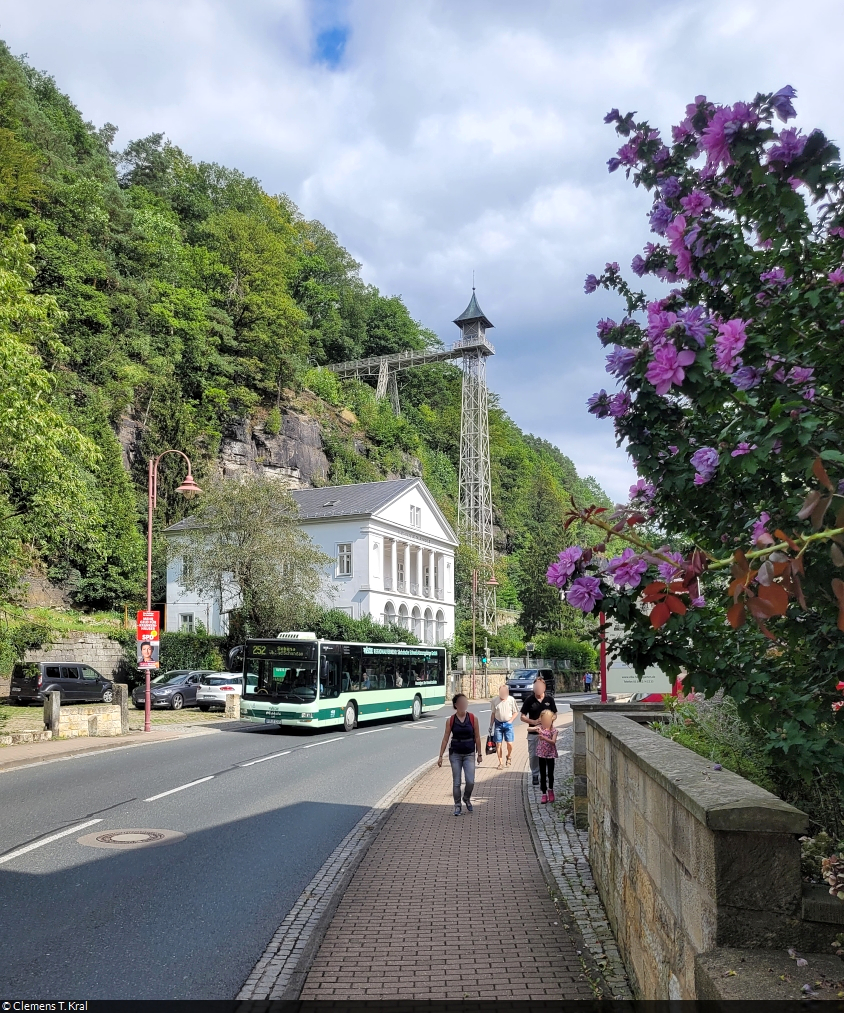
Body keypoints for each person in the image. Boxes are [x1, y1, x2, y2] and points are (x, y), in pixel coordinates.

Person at [438, 693, 483, 815]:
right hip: (455, 754)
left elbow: (477, 737)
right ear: (456, 705)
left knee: (470, 781)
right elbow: (445, 738)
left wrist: (479, 754)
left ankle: (466, 798)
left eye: (465, 702)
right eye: (461, 703)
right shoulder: (451, 720)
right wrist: (441, 756)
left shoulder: (473, 718)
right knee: (457, 782)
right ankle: (457, 805)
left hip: (469, 753)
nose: (464, 705)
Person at [520, 676, 557, 786]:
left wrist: (549, 720)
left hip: (547, 733)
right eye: (536, 687)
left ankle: (544, 774)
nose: (538, 689)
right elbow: (522, 716)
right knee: (534, 755)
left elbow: (555, 714)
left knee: (546, 754)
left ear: (544, 687)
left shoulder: (549, 700)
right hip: (533, 732)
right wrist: (534, 722)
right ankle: (535, 774)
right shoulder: (529, 700)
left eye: (540, 686)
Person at [489, 683, 519, 769]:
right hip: (498, 724)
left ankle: (509, 756)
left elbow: (516, 712)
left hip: (508, 724)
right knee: (498, 744)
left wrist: (511, 721)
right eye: (501, 692)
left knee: (509, 743)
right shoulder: (495, 700)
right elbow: (493, 714)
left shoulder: (511, 700)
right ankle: (500, 762)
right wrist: (491, 725)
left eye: (504, 692)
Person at [535, 709, 559, 803]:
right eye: (544, 721)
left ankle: (550, 790)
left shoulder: (554, 730)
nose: (545, 723)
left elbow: (553, 742)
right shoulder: (540, 728)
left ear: (551, 720)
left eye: (547, 721)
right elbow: (529, 729)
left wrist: (544, 738)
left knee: (550, 773)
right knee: (542, 774)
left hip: (550, 754)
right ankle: (544, 793)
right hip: (541, 754)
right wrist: (536, 728)